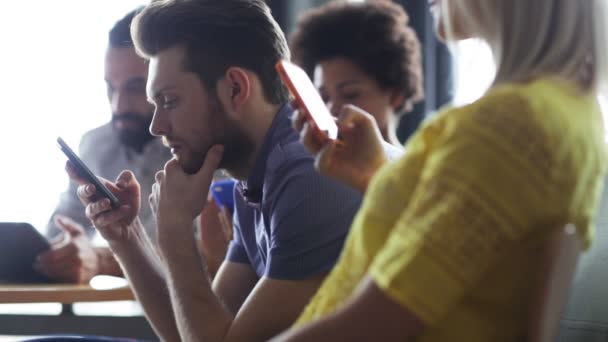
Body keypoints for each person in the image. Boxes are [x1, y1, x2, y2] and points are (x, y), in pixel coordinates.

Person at [275, 0, 608, 340]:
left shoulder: (507, 126)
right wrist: (374, 176)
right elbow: (472, 258)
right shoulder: (568, 112)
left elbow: (376, 323)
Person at [70, 0, 361, 341]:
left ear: (236, 89)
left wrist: (175, 231)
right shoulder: (259, 177)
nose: (157, 126)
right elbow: (193, 332)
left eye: (169, 101)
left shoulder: (310, 175)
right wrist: (127, 237)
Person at [35, 8, 171, 284]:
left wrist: (98, 260)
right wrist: (63, 250)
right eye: (111, 88)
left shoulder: (199, 146)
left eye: (135, 88)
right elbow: (58, 230)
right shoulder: (96, 144)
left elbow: (202, 253)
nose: (119, 106)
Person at [289, 0, 424, 145]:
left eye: (350, 95)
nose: (332, 109)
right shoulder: (314, 162)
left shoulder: (418, 167)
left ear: (395, 95)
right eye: (324, 97)